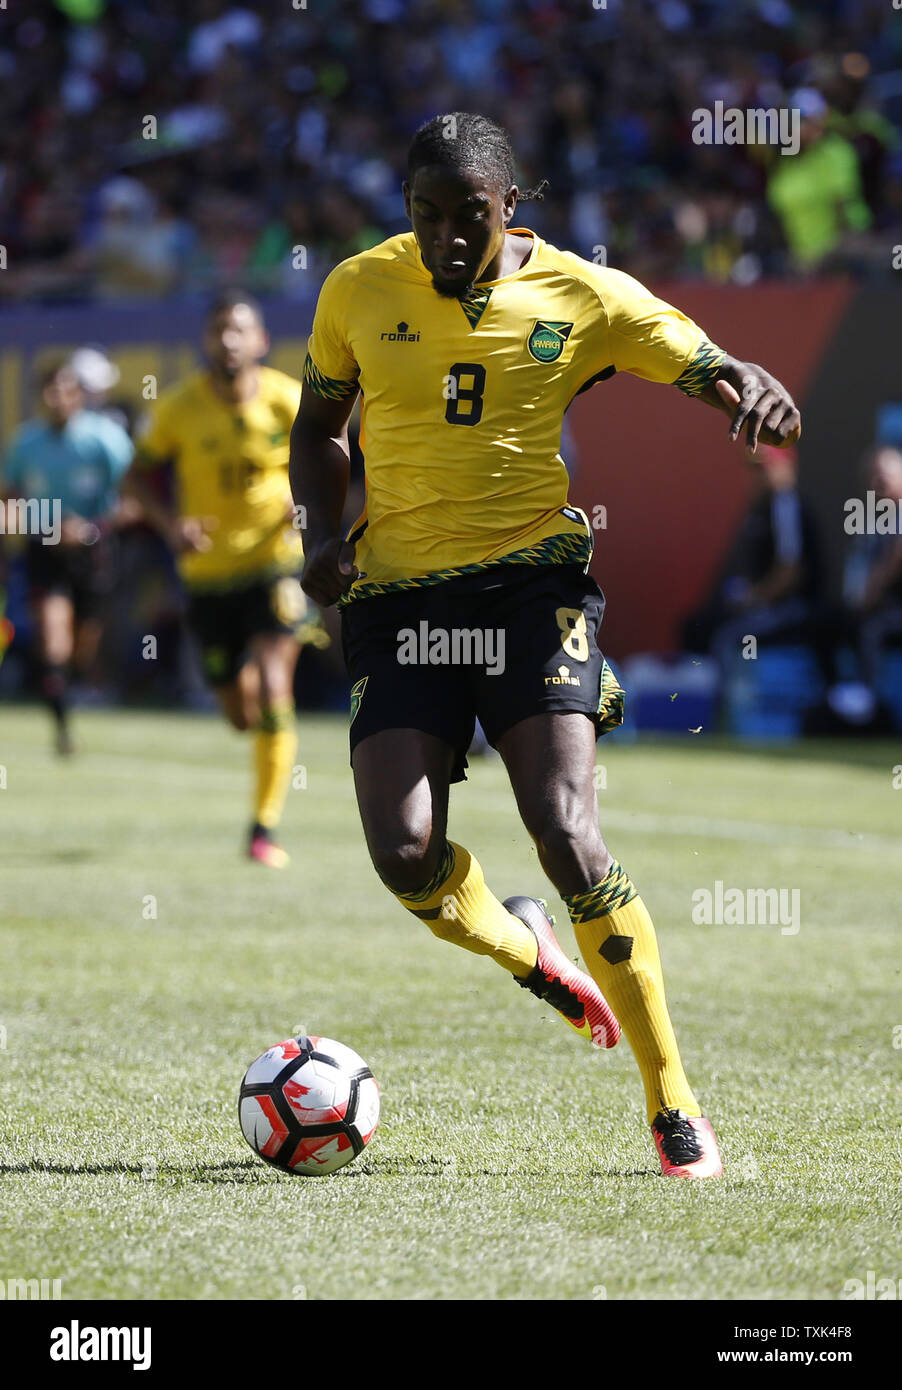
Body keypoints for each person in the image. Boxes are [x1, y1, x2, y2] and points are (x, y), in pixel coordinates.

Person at [290, 113, 801, 1178]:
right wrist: (318, 538)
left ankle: (672, 1098)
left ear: (509, 206)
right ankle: (528, 950)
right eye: (423, 217)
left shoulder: (583, 295)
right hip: (398, 600)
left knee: (565, 827)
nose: (442, 240)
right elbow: (318, 427)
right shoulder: (355, 290)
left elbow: (701, 358)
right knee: (402, 854)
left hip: (533, 587)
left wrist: (742, 386)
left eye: (465, 217)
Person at [123, 291, 309, 867]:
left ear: (258, 341)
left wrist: (303, 503)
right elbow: (135, 479)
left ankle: (263, 829)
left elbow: (334, 458)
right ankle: (242, 691)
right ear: (205, 341)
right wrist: (169, 525)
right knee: (238, 713)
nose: (228, 340)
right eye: (217, 330)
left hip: (275, 562)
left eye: (239, 330)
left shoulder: (288, 399)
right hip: (207, 575)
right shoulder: (177, 408)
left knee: (277, 691)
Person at [1, 359, 134, 753]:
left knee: (82, 646)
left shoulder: (105, 440)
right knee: (52, 638)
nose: (58, 398)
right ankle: (61, 726)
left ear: (79, 395)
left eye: (66, 390)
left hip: (95, 552)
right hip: (45, 551)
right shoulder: (26, 443)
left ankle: (73, 686)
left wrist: (90, 530)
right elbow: (10, 503)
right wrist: (47, 526)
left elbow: (134, 498)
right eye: (50, 390)